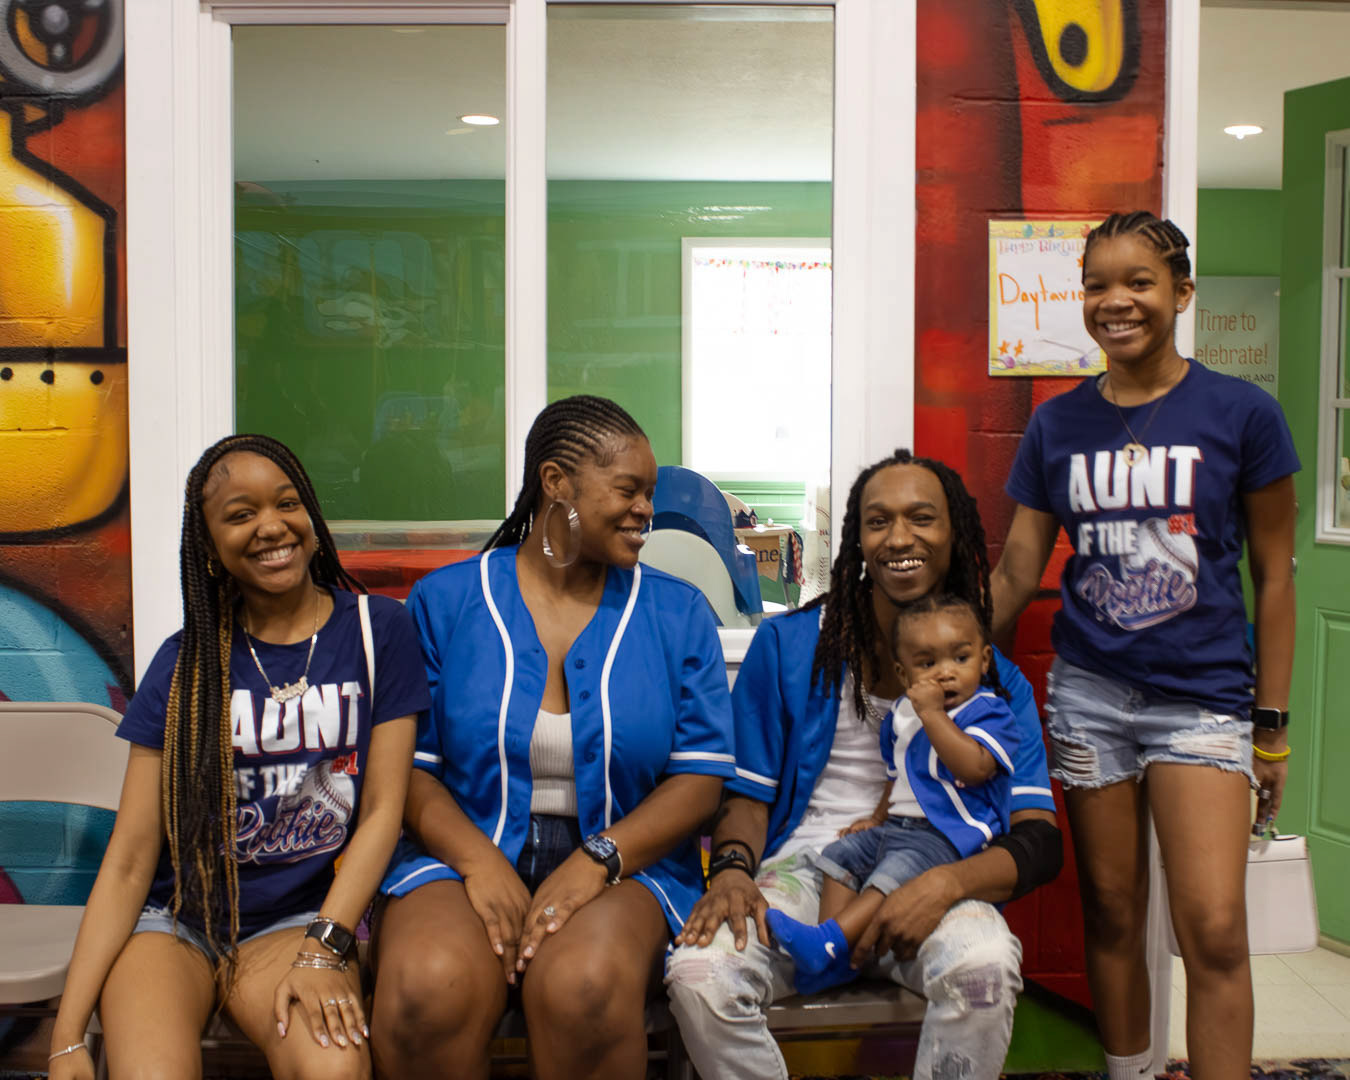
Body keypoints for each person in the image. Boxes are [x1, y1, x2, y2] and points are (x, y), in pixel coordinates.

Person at [991, 211, 1298, 1080]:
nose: (1115, 301)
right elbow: (1017, 569)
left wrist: (1271, 728)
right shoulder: (1057, 425)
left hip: (1203, 701)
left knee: (1214, 928)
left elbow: (1277, 578)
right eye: (1096, 285)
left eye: (1139, 282)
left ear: (1182, 293)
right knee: (1113, 913)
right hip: (1091, 696)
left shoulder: (1243, 413)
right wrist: (935, 658)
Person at [369, 395, 736, 1080]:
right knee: (427, 989)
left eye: (650, 494)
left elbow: (699, 782)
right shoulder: (445, 601)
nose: (645, 510)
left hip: (628, 860)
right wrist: (480, 864)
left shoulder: (678, 612)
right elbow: (410, 772)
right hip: (461, 847)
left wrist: (596, 860)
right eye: (627, 490)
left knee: (582, 990)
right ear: (556, 482)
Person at [666, 449, 1064, 1080]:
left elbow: (1038, 839)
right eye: (879, 521)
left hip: (936, 870)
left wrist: (945, 886)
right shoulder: (790, 646)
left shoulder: (993, 682)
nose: (899, 538)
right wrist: (733, 871)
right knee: (699, 973)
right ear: (857, 538)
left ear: (954, 534)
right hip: (810, 869)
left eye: (921, 518)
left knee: (983, 968)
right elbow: (746, 796)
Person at [46, 434, 427, 1080]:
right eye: (241, 514)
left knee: (334, 1069)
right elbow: (131, 857)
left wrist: (324, 947)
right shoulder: (186, 663)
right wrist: (67, 1038)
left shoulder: (376, 631)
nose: (271, 526)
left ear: (311, 516)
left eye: (287, 503)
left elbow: (383, 811)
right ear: (210, 546)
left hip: (298, 922)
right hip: (175, 925)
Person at [765, 593, 1020, 994]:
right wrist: (877, 818)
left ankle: (826, 941)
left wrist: (933, 714)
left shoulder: (989, 711)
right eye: (927, 664)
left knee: (890, 875)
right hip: (898, 827)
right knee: (840, 854)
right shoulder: (901, 713)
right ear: (903, 673)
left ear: (985, 660)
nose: (945, 674)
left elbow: (975, 768)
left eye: (960, 658)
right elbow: (896, 776)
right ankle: (834, 955)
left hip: (949, 836)